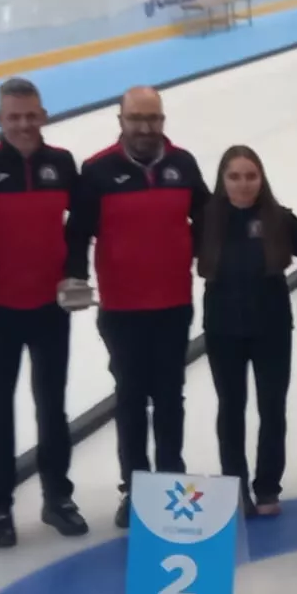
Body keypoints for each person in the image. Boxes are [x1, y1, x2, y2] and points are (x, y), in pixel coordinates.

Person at [63, 86, 209, 529]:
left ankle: (169, 479)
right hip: (122, 309)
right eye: (137, 119)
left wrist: (212, 259)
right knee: (129, 398)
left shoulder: (182, 165)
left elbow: (206, 218)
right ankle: (134, 486)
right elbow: (77, 234)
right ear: (120, 120)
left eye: (154, 119)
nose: (146, 128)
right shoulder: (97, 171)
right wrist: (75, 279)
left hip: (173, 303)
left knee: (169, 397)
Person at [0, 78, 88, 548]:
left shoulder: (61, 164)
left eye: (31, 115)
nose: (24, 124)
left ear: (44, 114)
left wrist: (74, 273)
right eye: (14, 117)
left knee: (52, 407)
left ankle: (57, 498)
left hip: (50, 307)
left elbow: (80, 228)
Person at [198, 146, 297, 517]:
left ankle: (267, 487)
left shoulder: (281, 220)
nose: (244, 185)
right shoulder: (205, 220)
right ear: (222, 180)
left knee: (272, 409)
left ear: (262, 179)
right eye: (235, 177)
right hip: (223, 331)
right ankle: (236, 487)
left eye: (251, 176)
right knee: (231, 409)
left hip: (272, 329)